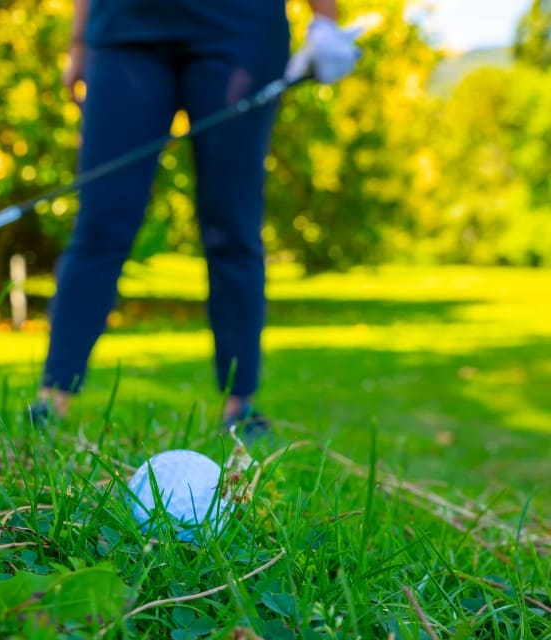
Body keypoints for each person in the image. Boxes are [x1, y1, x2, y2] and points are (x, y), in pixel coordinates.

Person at [33, 0, 359, 435]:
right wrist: (78, 42)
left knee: (232, 225)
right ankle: (52, 400)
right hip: (125, 30)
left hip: (239, 29)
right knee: (100, 223)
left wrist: (325, 19)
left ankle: (240, 405)